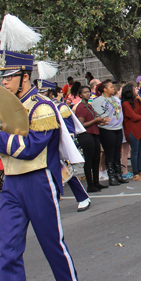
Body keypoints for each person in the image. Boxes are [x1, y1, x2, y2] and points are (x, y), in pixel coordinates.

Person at [0, 32, 87, 281]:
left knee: (51, 242)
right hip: (12, 183)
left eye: (9, 76)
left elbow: (30, 150)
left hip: (38, 180)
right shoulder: (5, 108)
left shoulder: (42, 108)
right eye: (2, 76)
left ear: (25, 76)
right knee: (9, 249)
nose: (3, 82)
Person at [41, 80, 92, 211]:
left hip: (55, 145)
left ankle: (82, 197)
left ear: (51, 93)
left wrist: (66, 147)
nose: (41, 94)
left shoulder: (60, 107)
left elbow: (69, 130)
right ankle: (53, 201)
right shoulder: (37, 107)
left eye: (43, 92)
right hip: (40, 145)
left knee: (65, 172)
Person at [91, 80, 128, 186]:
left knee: (117, 152)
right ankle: (111, 176)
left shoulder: (116, 99)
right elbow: (97, 114)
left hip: (118, 128)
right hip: (107, 129)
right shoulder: (98, 101)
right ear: (104, 89)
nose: (113, 88)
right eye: (111, 87)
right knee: (110, 153)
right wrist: (102, 120)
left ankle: (118, 175)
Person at [74, 84, 107, 192]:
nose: (87, 94)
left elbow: (92, 119)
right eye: (84, 92)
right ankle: (90, 184)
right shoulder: (81, 107)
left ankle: (96, 182)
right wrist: (95, 121)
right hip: (86, 135)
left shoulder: (89, 105)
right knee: (89, 160)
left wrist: (100, 121)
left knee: (96, 159)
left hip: (94, 133)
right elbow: (81, 124)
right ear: (80, 95)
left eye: (88, 92)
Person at [121, 83, 141, 181]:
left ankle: (140, 171)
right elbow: (133, 116)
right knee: (135, 152)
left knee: (140, 151)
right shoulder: (125, 104)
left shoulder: (135, 101)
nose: (136, 90)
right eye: (134, 89)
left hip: (140, 128)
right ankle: (135, 173)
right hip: (132, 129)